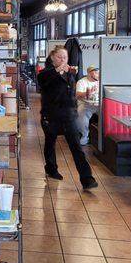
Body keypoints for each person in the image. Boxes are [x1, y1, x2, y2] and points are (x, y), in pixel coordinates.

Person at [37, 46, 98, 189]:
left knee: (76, 147)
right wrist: (58, 70)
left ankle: (87, 179)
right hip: (50, 116)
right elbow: (42, 79)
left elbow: (72, 94)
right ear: (52, 58)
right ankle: (51, 168)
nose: (63, 60)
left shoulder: (70, 74)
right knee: (50, 143)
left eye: (65, 57)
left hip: (68, 116)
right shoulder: (46, 73)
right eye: (60, 57)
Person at [76, 65, 100, 145]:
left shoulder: (101, 81)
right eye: (96, 72)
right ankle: (84, 136)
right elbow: (77, 95)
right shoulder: (81, 82)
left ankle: (102, 137)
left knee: (108, 113)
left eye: (98, 72)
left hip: (100, 105)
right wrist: (86, 93)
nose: (98, 74)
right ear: (89, 73)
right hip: (85, 104)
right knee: (81, 112)